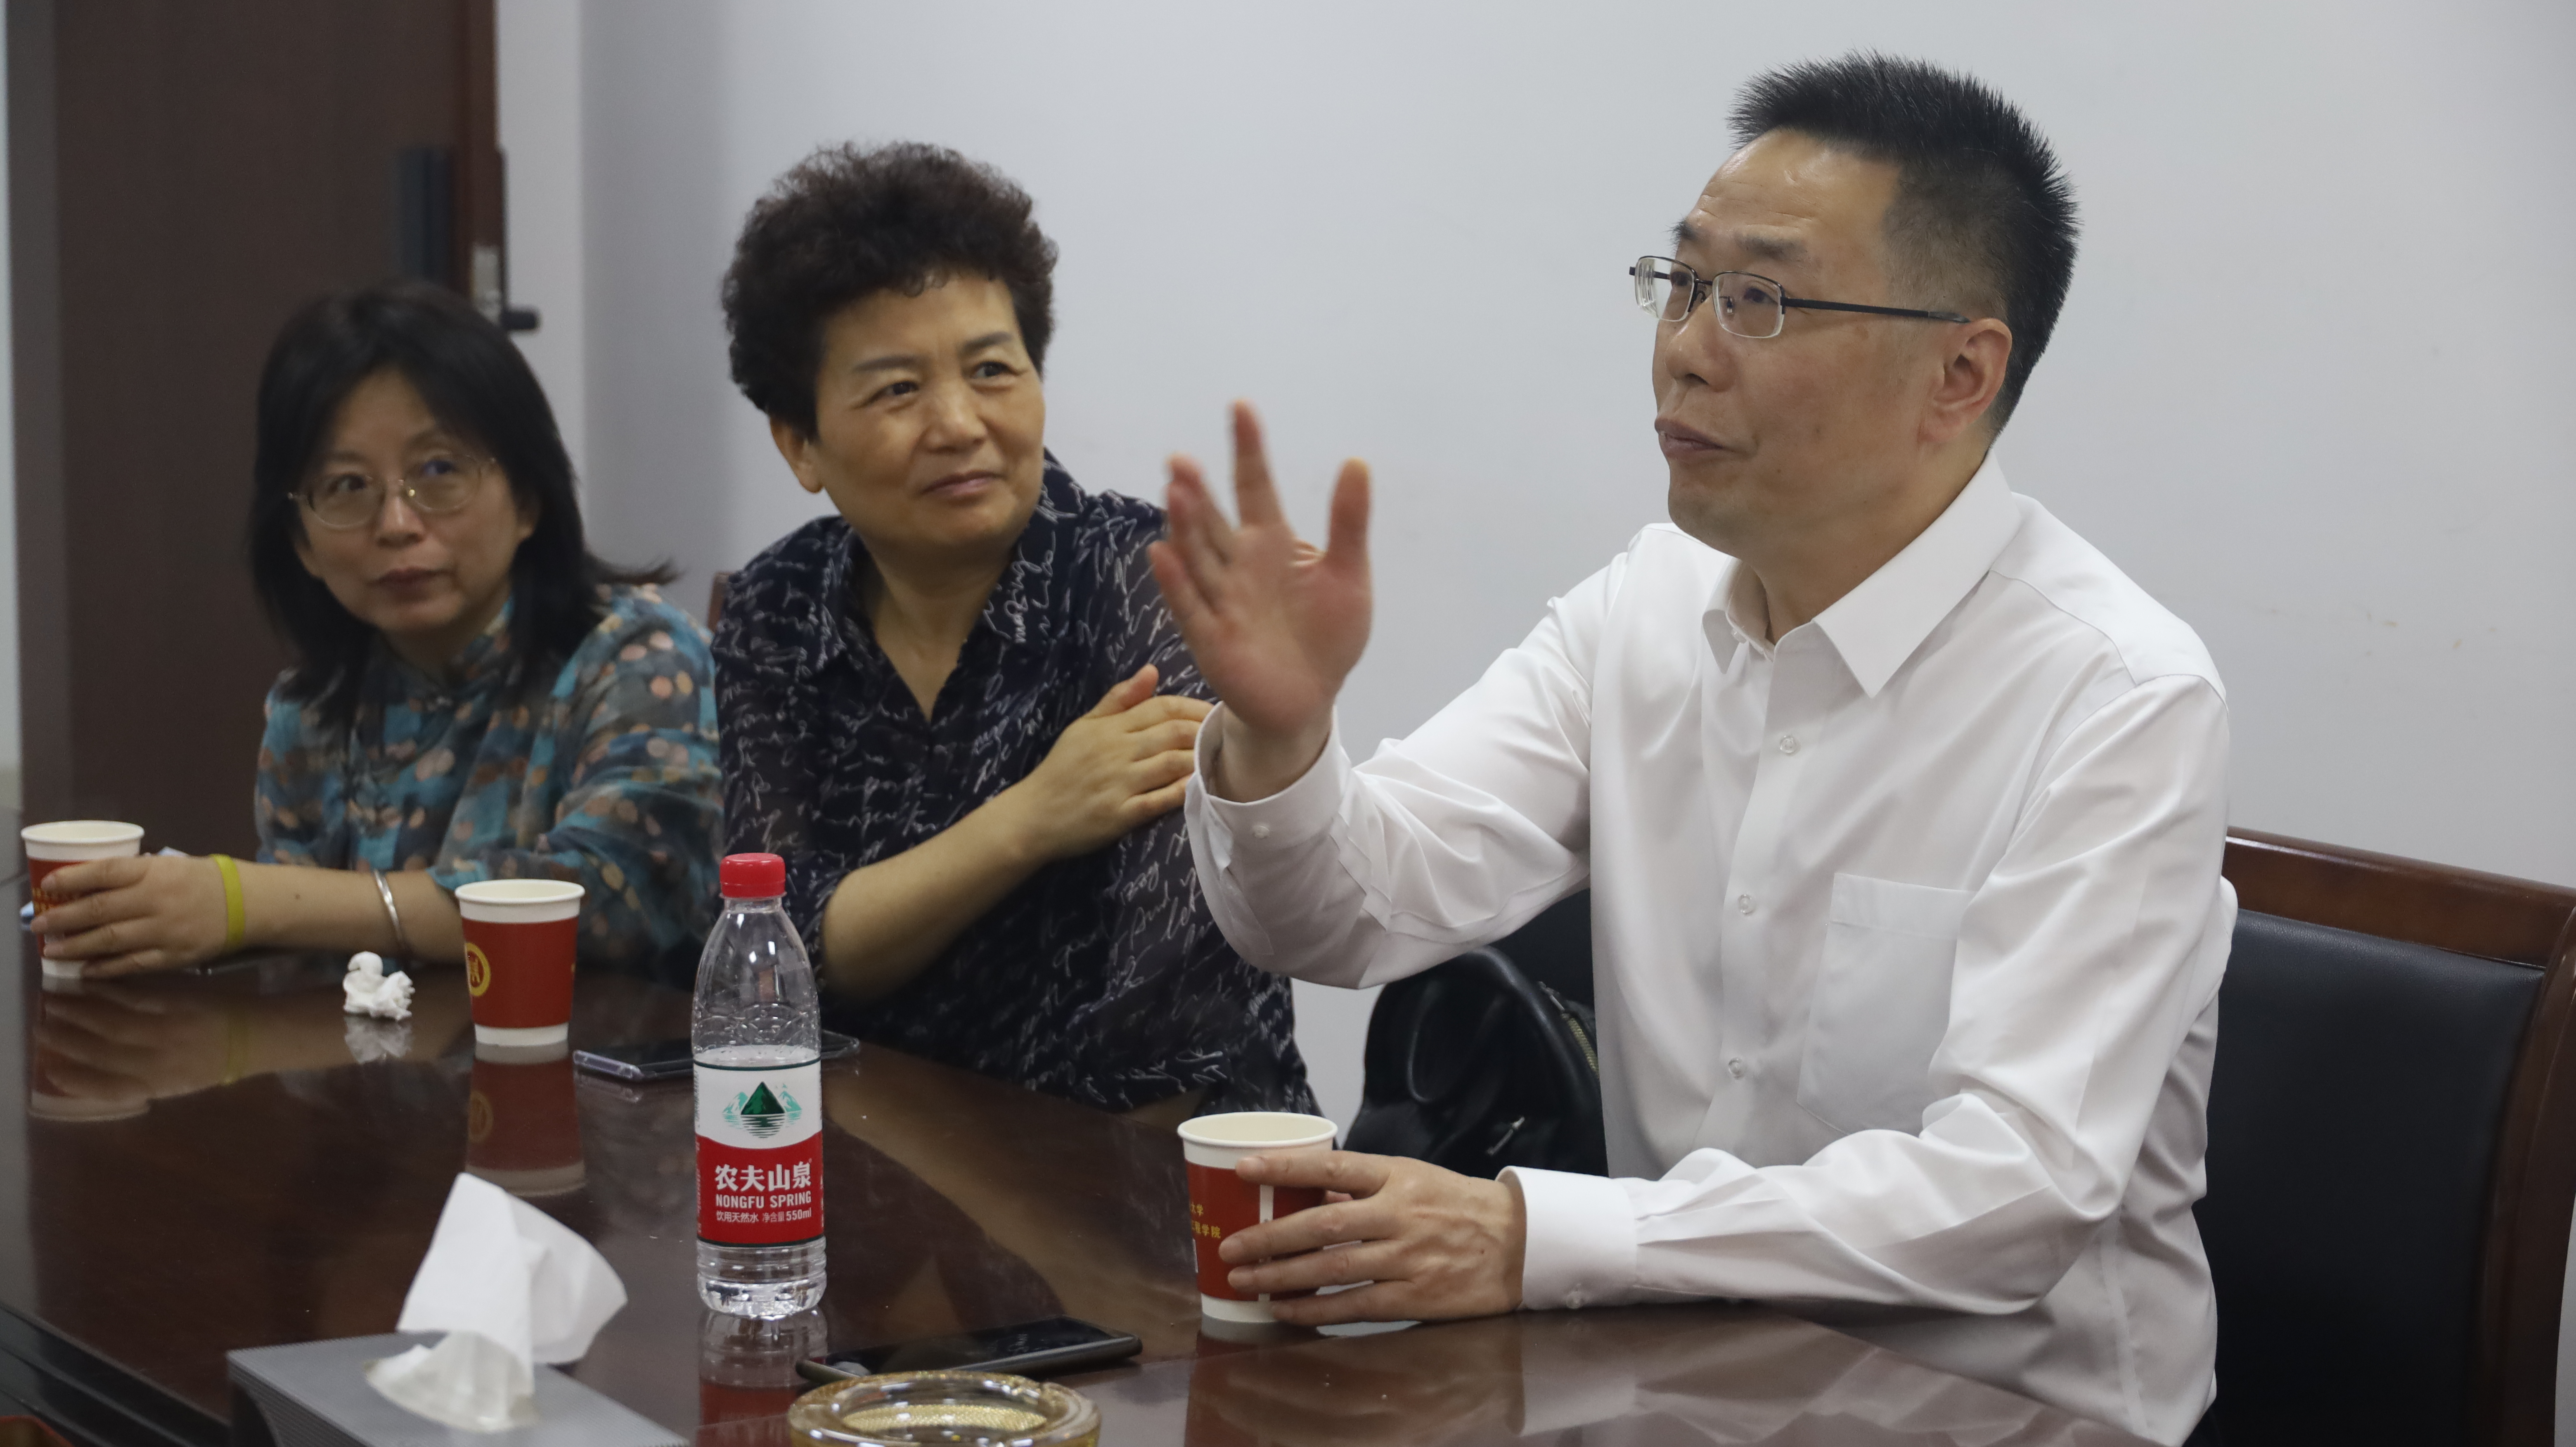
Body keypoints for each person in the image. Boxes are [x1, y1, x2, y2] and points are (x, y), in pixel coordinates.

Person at [1158, 55, 2228, 1446]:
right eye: (1681, 283)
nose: (1686, 348)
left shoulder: (2120, 695)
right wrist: (1284, 736)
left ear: (1960, 373)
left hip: (1993, 1419)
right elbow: (1342, 918)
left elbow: (2013, 1191)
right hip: (1664, 1394)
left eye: (1760, 300)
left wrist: (1533, 1237)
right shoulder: (1645, 608)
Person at [713, 141, 1312, 1124]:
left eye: (993, 369)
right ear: (801, 443)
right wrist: (1027, 822)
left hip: (1161, 1174)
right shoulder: (780, 610)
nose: (959, 423)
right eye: (897, 389)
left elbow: (1168, 1038)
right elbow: (775, 954)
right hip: (876, 1158)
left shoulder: (1153, 588)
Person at [32, 280, 722, 982]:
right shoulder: (312, 711)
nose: (397, 523)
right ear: (300, 540)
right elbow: (301, 967)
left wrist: (249, 901)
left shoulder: (637, 657)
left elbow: (615, 899)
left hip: (611, 1051)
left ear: (528, 498)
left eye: (439, 471)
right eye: (348, 486)